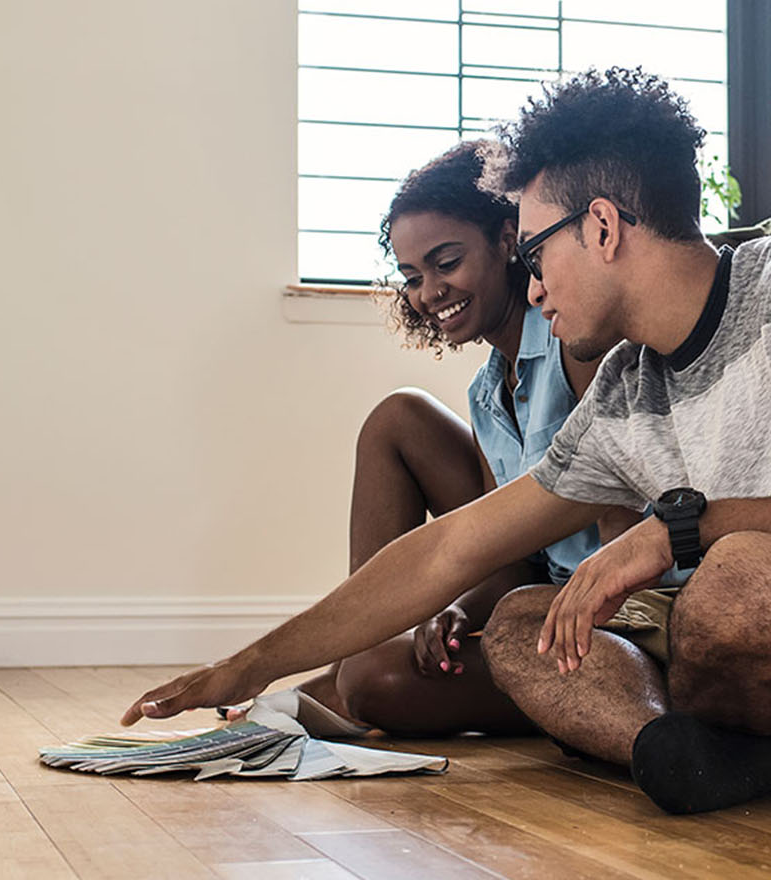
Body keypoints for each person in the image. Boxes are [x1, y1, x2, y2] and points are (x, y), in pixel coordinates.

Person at [123, 67, 771, 816]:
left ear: (604, 227)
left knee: (737, 576)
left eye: (534, 254)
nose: (530, 288)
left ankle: (725, 734)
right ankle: (679, 757)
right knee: (528, 619)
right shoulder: (623, 387)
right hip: (758, 660)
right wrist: (246, 666)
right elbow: (450, 548)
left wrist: (676, 531)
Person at [264, 139, 626, 737]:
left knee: (375, 683)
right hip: (538, 593)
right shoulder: (488, 392)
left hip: (595, 621)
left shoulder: (576, 343)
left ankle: (350, 681)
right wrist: (457, 609)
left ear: (508, 240)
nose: (429, 291)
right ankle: (350, 655)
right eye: (412, 276)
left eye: (446, 261)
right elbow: (512, 552)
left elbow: (608, 530)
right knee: (398, 418)